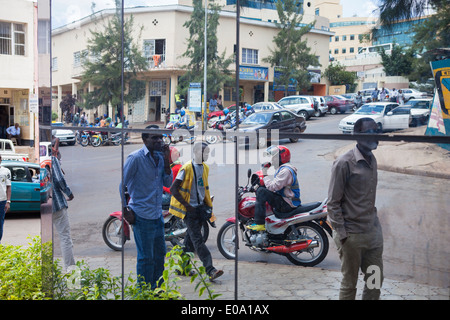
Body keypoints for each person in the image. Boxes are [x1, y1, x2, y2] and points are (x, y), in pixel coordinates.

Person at [327, 117, 383, 300]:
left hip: (372, 235)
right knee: (350, 283)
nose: (375, 135)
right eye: (369, 132)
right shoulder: (344, 163)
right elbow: (333, 202)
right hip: (351, 236)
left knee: (375, 279)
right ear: (357, 136)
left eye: (377, 130)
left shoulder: (372, 159)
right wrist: (343, 235)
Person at [121, 125, 172, 289]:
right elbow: (122, 185)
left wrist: (166, 162)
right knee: (145, 258)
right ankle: (144, 291)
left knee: (159, 255)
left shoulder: (160, 158)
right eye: (154, 137)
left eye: (160, 137)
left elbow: (168, 183)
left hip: (157, 215)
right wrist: (125, 209)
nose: (158, 141)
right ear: (144, 140)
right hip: (141, 216)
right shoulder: (135, 158)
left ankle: (158, 290)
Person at [169, 142, 223, 281]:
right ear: (196, 153)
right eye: (204, 153)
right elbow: (174, 189)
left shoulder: (205, 167)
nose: (206, 155)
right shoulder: (186, 168)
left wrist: (207, 207)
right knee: (198, 240)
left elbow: (203, 188)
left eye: (208, 153)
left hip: (199, 208)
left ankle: (182, 268)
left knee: (190, 241)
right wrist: (187, 206)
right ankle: (210, 270)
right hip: (189, 211)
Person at [247, 145, 301, 231]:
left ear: (282, 157)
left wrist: (264, 173)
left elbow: (273, 187)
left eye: (275, 158)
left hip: (287, 204)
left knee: (261, 191)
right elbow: (276, 185)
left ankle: (259, 223)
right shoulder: (283, 169)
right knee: (263, 190)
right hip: (285, 200)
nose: (272, 160)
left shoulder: (286, 171)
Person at [52, 155, 76, 270]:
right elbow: (59, 179)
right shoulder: (51, 158)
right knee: (65, 238)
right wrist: (69, 193)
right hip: (56, 204)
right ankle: (72, 278)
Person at [0, 155, 11, 243]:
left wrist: (8, 201)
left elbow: (8, 187)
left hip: (2, 201)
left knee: (0, 224)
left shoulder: (6, 171)